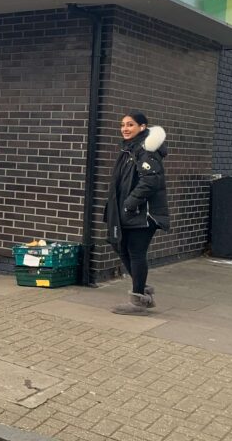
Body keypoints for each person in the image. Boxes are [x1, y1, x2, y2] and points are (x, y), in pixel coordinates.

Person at [104, 111, 170, 315]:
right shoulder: (129, 149)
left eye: (130, 124)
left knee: (136, 253)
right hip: (130, 212)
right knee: (120, 246)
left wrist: (130, 204)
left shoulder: (146, 150)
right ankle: (142, 291)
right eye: (122, 124)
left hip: (144, 214)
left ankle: (138, 301)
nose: (125, 128)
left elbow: (151, 180)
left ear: (142, 127)